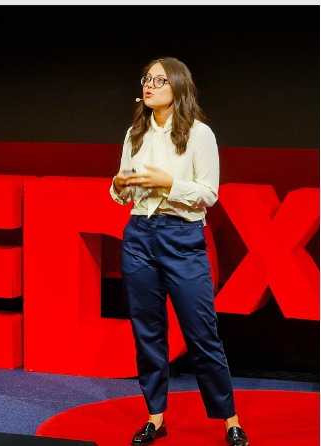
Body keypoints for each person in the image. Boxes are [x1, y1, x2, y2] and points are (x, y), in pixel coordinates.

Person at [110, 57, 248, 446]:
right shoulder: (135, 133)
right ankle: (155, 416)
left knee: (202, 333)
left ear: (178, 87)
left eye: (159, 80)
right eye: (147, 79)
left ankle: (230, 419)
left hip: (181, 237)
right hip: (139, 235)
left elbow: (209, 193)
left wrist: (169, 182)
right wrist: (119, 185)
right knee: (147, 331)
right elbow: (121, 191)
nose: (150, 85)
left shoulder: (199, 134)